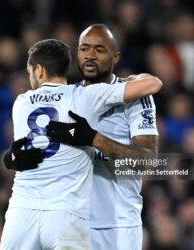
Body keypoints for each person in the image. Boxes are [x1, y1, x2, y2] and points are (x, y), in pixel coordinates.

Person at [0, 38, 162, 250]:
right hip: (67, 216)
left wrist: (8, 158)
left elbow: (22, 146)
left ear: (38, 70)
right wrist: (133, 78)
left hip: (21, 213)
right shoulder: (84, 96)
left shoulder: (21, 102)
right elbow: (153, 84)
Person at [47, 24, 159, 250]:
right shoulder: (65, 97)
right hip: (71, 223)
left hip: (118, 225)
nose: (90, 55)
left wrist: (94, 139)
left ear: (115, 56)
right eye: (84, 48)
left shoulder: (135, 97)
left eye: (99, 50)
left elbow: (147, 161)